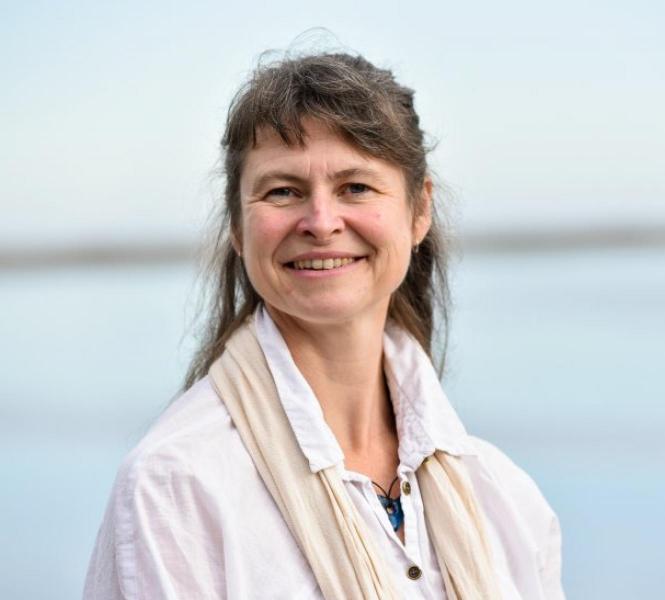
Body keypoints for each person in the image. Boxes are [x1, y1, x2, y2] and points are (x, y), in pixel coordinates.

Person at [83, 51, 565, 600]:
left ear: (419, 210)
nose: (321, 222)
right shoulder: (175, 486)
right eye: (282, 191)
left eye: (356, 187)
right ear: (238, 228)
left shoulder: (506, 500)